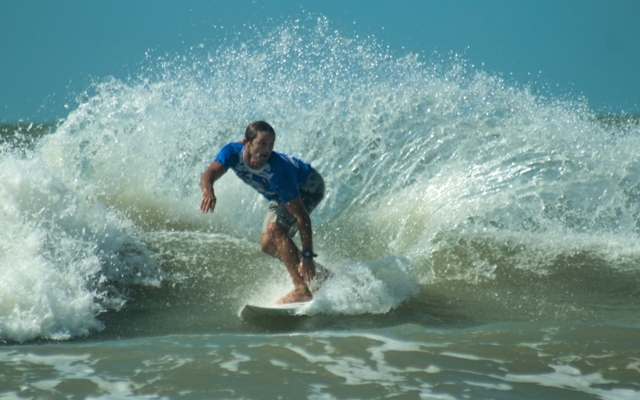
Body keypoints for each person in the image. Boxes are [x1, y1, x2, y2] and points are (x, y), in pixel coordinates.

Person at [199, 121, 326, 304]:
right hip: (282, 194)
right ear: (247, 142)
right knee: (267, 245)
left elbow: (302, 217)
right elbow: (209, 173)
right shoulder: (232, 153)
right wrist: (208, 191)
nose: (267, 149)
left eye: (271, 144)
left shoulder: (278, 171)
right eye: (262, 143)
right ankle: (321, 277)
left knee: (275, 229)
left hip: (308, 187)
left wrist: (307, 256)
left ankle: (301, 289)